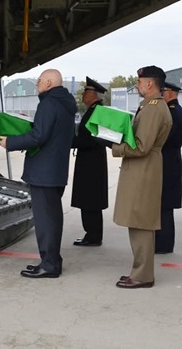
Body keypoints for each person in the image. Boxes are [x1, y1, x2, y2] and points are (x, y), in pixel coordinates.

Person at [0, 69, 77, 279]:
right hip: (56, 170)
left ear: (49, 83)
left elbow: (39, 136)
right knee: (52, 218)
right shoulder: (66, 104)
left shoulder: (48, 104)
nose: (37, 84)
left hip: (44, 172)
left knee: (46, 221)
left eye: (40, 80)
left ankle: (49, 265)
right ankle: (51, 261)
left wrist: (11, 142)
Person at [112, 66, 172, 289]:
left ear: (149, 83)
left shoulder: (153, 108)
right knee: (138, 221)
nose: (137, 85)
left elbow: (142, 146)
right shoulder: (150, 105)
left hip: (143, 169)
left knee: (141, 222)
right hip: (143, 168)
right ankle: (140, 271)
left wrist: (115, 147)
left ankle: (142, 275)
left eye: (139, 81)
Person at [71, 76, 111, 247]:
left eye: (85, 92)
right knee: (89, 199)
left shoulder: (96, 112)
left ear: (94, 95)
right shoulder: (94, 110)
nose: (82, 95)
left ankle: (93, 235)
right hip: (91, 160)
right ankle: (92, 234)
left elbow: (90, 139)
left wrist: (70, 142)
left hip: (91, 162)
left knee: (90, 199)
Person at [156, 81, 182, 254]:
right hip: (170, 161)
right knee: (164, 206)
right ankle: (164, 243)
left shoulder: (173, 112)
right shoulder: (175, 110)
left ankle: (163, 245)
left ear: (170, 93)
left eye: (163, 92)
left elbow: (165, 139)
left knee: (164, 206)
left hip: (167, 162)